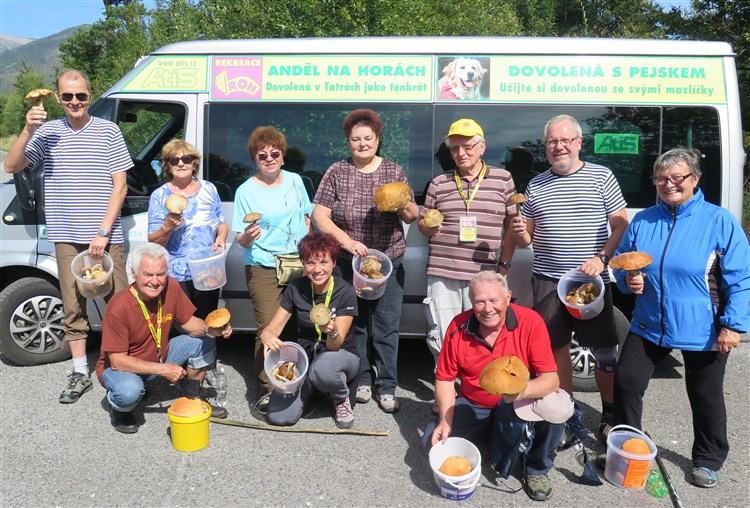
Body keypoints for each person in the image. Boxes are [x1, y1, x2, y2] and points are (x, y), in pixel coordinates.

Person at [612, 147, 750, 489]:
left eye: (677, 178)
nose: (668, 184)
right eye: (661, 178)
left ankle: (708, 459)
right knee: (627, 383)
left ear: (695, 179)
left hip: (702, 328)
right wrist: (628, 280)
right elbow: (621, 264)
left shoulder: (719, 221)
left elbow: (741, 277)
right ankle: (631, 445)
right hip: (649, 323)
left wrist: (733, 324)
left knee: (705, 396)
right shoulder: (643, 220)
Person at [4, 69, 132, 404]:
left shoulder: (108, 131)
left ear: (91, 96)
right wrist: (28, 129)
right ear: (58, 98)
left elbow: (120, 186)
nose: (74, 102)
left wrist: (103, 232)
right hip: (66, 237)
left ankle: (125, 365)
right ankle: (79, 372)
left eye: (81, 96)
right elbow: (12, 166)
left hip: (105, 237)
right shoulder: (47, 133)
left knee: (118, 304)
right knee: (73, 306)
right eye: (67, 96)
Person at [511, 114, 628, 444]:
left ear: (579, 142)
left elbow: (620, 224)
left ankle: (609, 413)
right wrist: (520, 233)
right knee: (554, 350)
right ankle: (566, 412)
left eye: (565, 140)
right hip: (547, 281)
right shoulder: (536, 185)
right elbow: (526, 241)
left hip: (589, 283)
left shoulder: (601, 177)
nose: (558, 146)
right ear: (545, 147)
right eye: (552, 142)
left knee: (604, 351)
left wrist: (602, 257)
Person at [420, 271, 569, 502]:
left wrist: (521, 392)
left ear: (508, 297)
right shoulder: (458, 327)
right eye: (479, 301)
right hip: (474, 403)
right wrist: (445, 421)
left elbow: (551, 379)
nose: (487, 308)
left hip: (517, 402)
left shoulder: (530, 322)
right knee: (430, 442)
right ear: (472, 302)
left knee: (555, 405)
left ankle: (536, 468)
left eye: (494, 300)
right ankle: (496, 436)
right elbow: (446, 378)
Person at [312, 108, 419, 413]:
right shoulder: (337, 171)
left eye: (367, 138)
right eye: (355, 139)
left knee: (386, 325)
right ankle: (362, 380)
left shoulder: (393, 172)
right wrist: (347, 242)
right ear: (348, 142)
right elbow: (321, 216)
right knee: (355, 323)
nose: (362, 143)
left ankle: (386, 386)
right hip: (349, 261)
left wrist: (402, 205)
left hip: (388, 262)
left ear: (377, 139)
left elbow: (413, 215)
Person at [95, 242, 233, 434]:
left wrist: (212, 330)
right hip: (119, 367)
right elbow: (117, 361)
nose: (155, 281)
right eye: (148, 275)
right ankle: (120, 408)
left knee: (205, 340)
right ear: (134, 275)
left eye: (160, 274)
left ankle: (192, 395)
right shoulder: (119, 306)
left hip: (157, 355)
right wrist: (164, 369)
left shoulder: (171, 287)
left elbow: (190, 325)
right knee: (129, 391)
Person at [419, 119, 516, 370]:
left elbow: (512, 227)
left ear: (482, 147)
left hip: (486, 274)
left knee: (487, 331)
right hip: (444, 272)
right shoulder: (438, 183)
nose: (461, 153)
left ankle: (480, 389)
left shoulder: (503, 179)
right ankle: (447, 389)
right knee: (442, 333)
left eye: (468, 146)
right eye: (454, 148)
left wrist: (504, 265)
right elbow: (423, 223)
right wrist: (427, 227)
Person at [232, 126, 313, 416]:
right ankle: (266, 390)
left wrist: (310, 254)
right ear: (255, 158)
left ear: (283, 155)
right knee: (268, 329)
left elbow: (306, 218)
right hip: (263, 265)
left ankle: (292, 382)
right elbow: (239, 237)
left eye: (274, 153)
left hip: (296, 262)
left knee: (295, 324)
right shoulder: (245, 190)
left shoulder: (295, 181)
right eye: (262, 154)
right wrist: (248, 237)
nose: (269, 158)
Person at [259, 232, 359, 428]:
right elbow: (274, 327)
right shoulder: (296, 287)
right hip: (306, 357)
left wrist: (332, 330)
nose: (317, 269)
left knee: (323, 367)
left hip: (340, 354)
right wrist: (267, 335)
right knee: (279, 418)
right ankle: (314, 389)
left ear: (334, 263)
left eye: (323, 262)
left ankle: (340, 398)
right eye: (310, 263)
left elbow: (336, 344)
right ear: (303, 264)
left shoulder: (345, 291)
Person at [148, 139, 228, 320]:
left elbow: (221, 223)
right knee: (181, 323)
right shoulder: (160, 195)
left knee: (210, 322)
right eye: (173, 160)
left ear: (194, 163)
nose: (181, 163)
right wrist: (167, 227)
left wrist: (221, 237)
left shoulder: (209, 188)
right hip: (177, 273)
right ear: (167, 166)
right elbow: (153, 240)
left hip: (208, 270)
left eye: (186, 158)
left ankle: (208, 349)